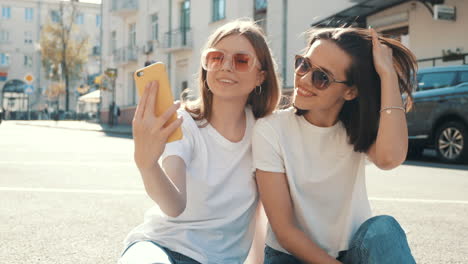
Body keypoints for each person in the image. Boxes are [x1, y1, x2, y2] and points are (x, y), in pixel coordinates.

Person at [119, 19, 281, 264]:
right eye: (216, 57)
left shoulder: (264, 132)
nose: (226, 66)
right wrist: (147, 164)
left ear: (261, 76)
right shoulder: (184, 122)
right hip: (160, 248)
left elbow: (259, 212)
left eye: (241, 60)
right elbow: (173, 205)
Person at [253, 27, 417, 264]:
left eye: (322, 77)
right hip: (290, 257)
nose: (304, 79)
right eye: (304, 65)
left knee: (384, 228)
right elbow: (285, 231)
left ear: (350, 91)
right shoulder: (271, 129)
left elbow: (390, 158)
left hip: (351, 252)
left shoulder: (354, 129)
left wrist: (388, 75)